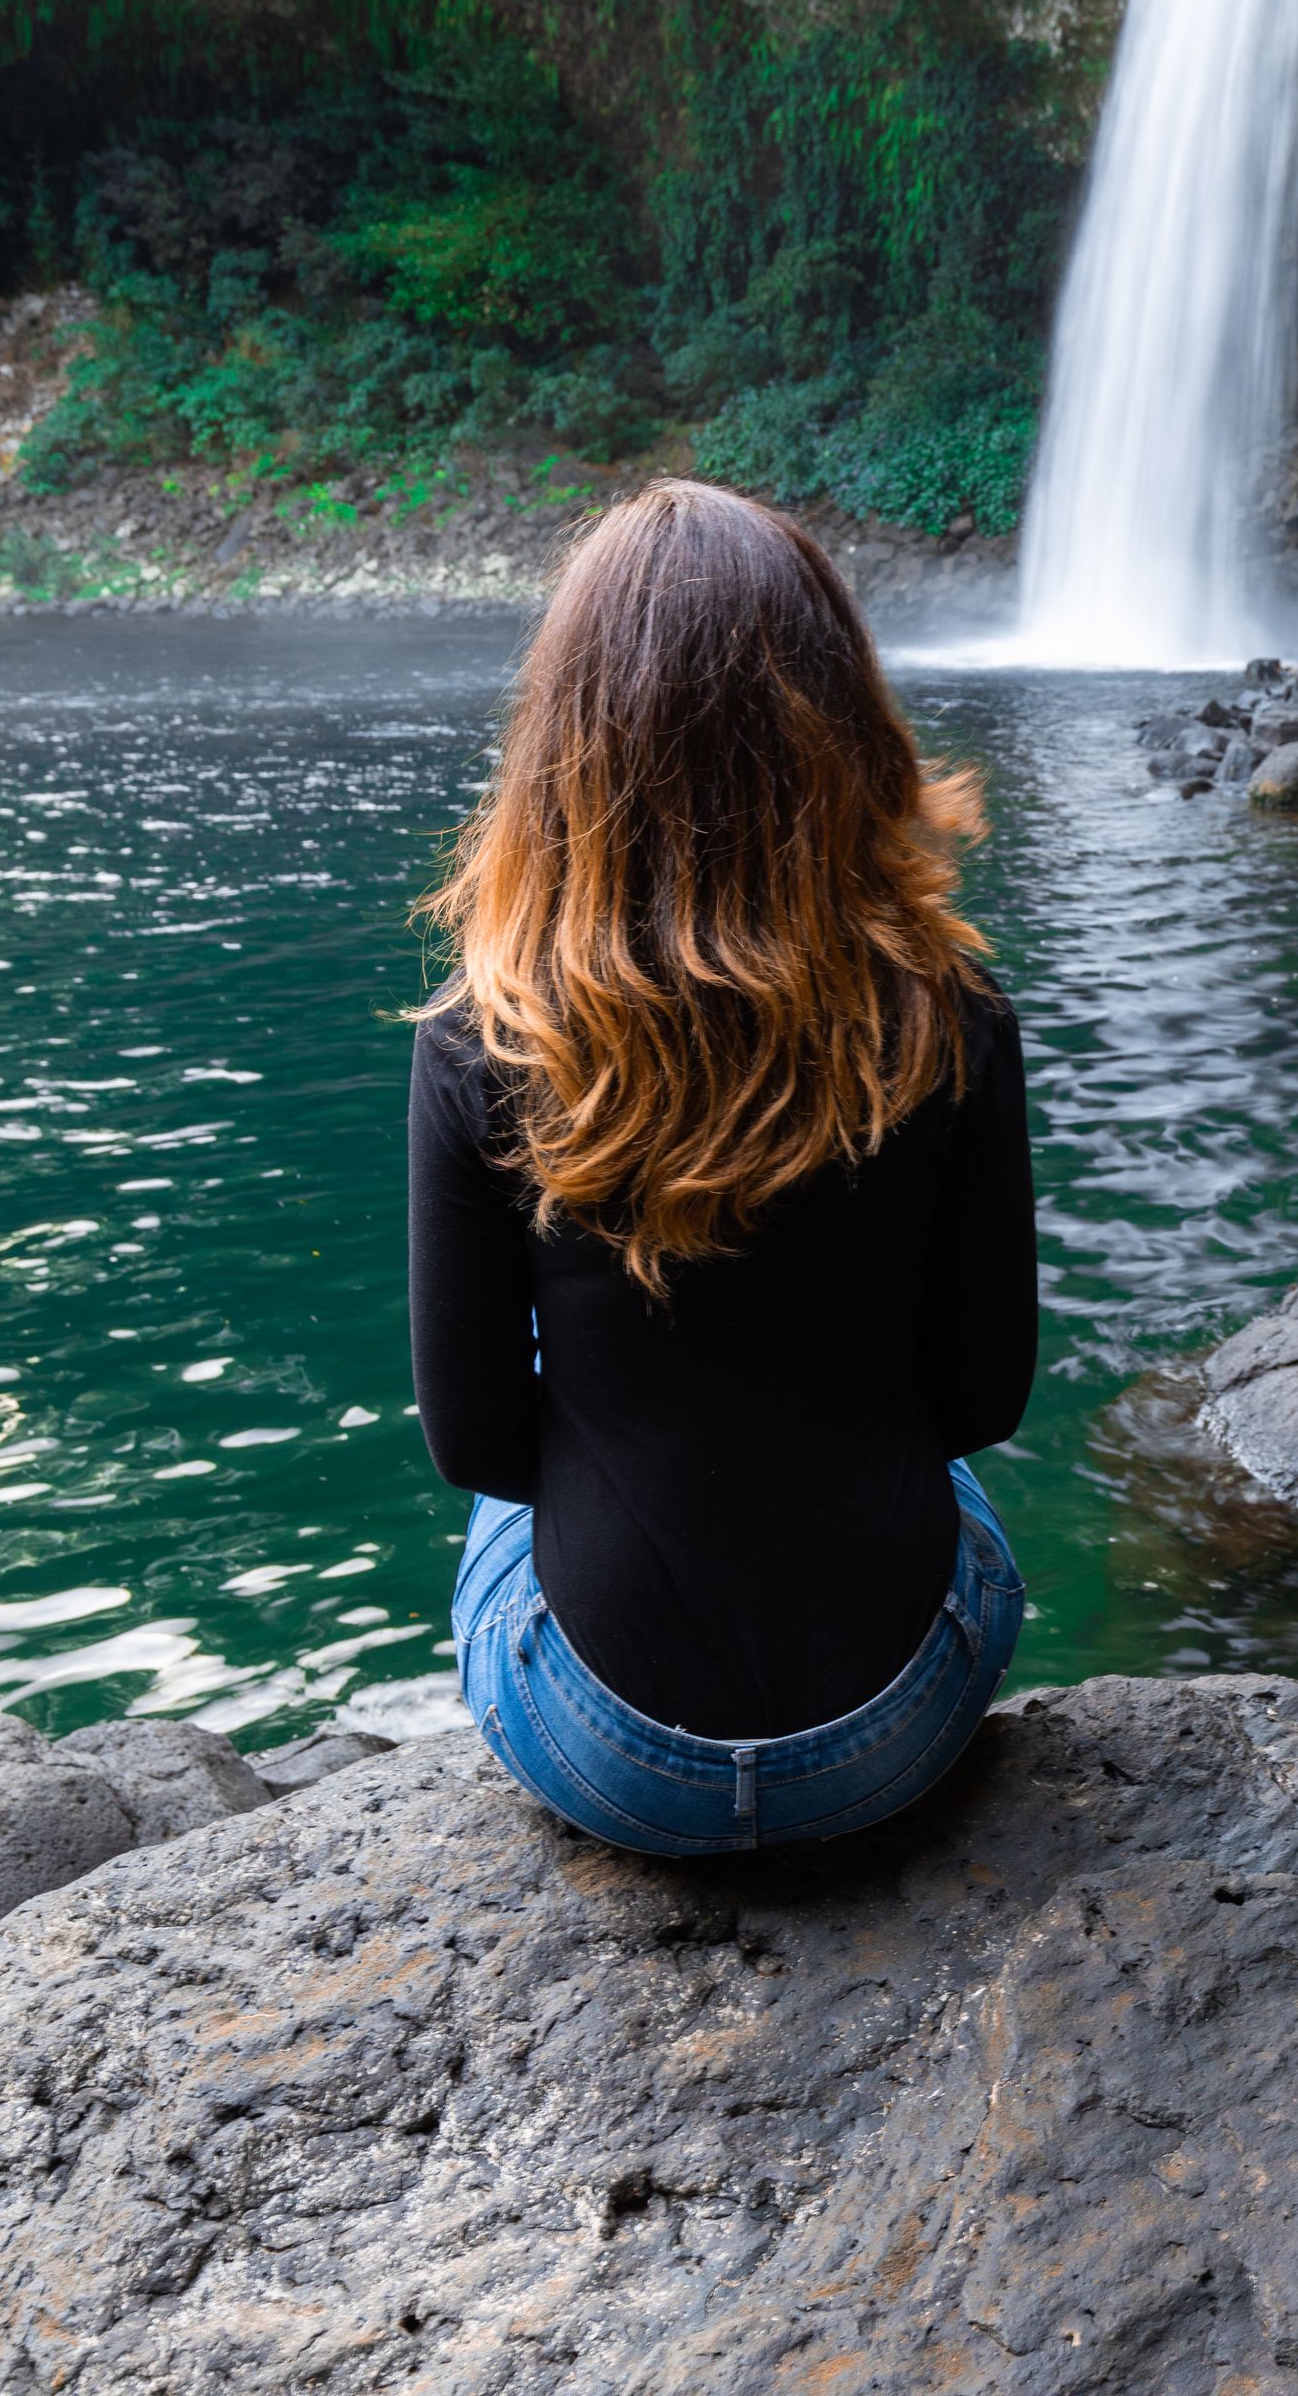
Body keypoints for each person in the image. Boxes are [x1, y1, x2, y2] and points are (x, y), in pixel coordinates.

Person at [407, 479, 1038, 1856]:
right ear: (839, 723)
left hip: (604, 1756)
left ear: (566, 754)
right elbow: (983, 1400)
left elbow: (479, 1446)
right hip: (896, 1734)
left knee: (507, 1502)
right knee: (943, 1490)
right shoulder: (951, 1014)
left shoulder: (480, 1039)